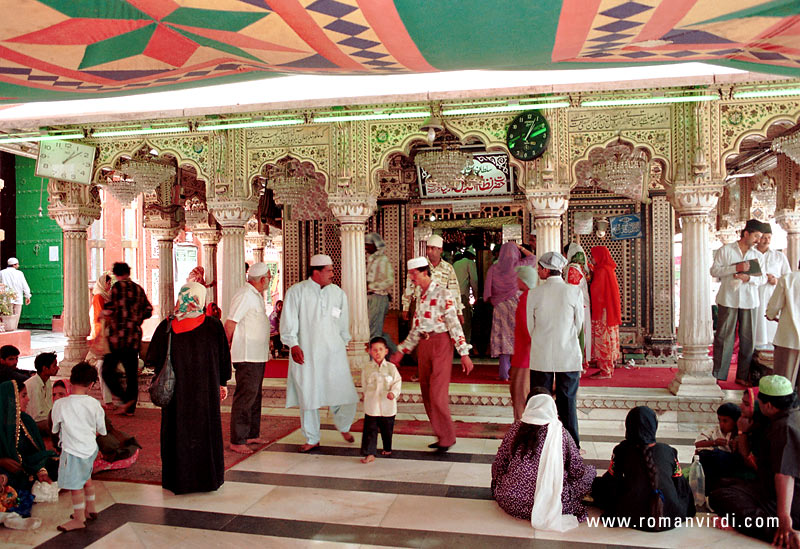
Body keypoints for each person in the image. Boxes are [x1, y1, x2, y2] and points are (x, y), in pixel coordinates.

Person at [147, 282, 232, 494]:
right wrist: (222, 382)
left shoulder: (167, 326)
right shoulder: (213, 326)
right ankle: (207, 480)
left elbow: (152, 359)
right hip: (205, 394)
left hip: (177, 396)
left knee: (177, 432)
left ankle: (178, 480)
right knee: (206, 432)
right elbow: (224, 360)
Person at [390, 257, 473, 453]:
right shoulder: (421, 295)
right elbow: (416, 328)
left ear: (424, 272)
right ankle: (442, 435)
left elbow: (454, 323)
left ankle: (448, 436)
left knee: (437, 393)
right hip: (424, 345)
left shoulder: (443, 293)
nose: (412, 278)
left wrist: (464, 353)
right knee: (427, 392)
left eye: (414, 274)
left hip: (441, 343)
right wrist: (402, 351)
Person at [709, 375, 800, 545]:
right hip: (771, 488)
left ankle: (781, 533)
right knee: (722, 486)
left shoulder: (784, 427)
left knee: (721, 497)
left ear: (769, 405)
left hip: (792, 499)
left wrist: (784, 518)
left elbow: (784, 475)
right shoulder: (790, 416)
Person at [281, 254, 359, 453]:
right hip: (307, 353)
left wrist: (344, 343)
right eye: (329, 270)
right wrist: (293, 345)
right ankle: (312, 437)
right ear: (316, 272)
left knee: (345, 392)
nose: (333, 274)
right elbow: (289, 321)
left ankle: (343, 426)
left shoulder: (338, 294)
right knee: (309, 395)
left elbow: (342, 323)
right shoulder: (297, 292)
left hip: (333, 352)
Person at [491, 391, 595, 531]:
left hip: (510, 500)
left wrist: (498, 483)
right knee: (589, 473)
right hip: (551, 504)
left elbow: (499, 465)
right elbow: (576, 470)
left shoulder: (515, 428)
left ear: (528, 406)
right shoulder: (560, 432)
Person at [592, 406, 696, 532]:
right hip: (670, 514)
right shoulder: (668, 451)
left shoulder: (621, 450)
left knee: (597, 485)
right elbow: (680, 485)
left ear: (629, 426)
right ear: (654, 426)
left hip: (634, 516)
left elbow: (612, 483)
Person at [527, 252, 584, 448]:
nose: (537, 271)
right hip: (567, 355)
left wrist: (543, 339)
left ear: (544, 270)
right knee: (567, 404)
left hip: (541, 356)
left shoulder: (534, 294)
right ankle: (571, 447)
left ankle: (537, 445)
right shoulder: (574, 292)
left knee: (540, 402)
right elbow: (579, 326)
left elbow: (530, 327)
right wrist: (564, 339)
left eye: (539, 268)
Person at [51, 362, 106, 532]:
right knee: (86, 478)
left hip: (72, 451)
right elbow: (101, 430)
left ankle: (79, 518)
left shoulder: (60, 404)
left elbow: (54, 428)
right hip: (90, 449)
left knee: (75, 485)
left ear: (71, 380)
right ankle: (91, 508)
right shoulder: (95, 404)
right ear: (91, 384)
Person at [710, 219, 766, 384]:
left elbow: (762, 279)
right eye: (756, 236)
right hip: (728, 299)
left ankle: (743, 376)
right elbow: (714, 271)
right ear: (746, 233)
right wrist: (736, 268)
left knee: (748, 339)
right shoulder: (726, 250)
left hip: (750, 301)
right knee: (722, 337)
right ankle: (719, 374)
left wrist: (748, 278)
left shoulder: (757, 255)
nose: (758, 240)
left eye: (760, 237)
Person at [225, 262, 271, 454]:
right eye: (269, 277)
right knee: (245, 396)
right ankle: (238, 439)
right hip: (247, 355)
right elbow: (230, 324)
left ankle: (251, 433)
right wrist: (225, 348)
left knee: (255, 395)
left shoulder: (256, 296)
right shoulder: (244, 295)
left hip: (257, 355)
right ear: (262, 280)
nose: (270, 280)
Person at [102, 261, 153, 416]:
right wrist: (136, 318)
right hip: (134, 337)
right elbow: (149, 310)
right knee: (131, 374)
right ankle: (130, 409)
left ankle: (125, 399)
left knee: (107, 370)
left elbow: (110, 308)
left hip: (118, 337)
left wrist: (104, 315)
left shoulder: (117, 288)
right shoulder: (138, 289)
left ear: (116, 274)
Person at [0, 380, 57, 492]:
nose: (28, 399)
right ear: (11, 399)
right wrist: (1, 461)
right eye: (23, 396)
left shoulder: (26, 421)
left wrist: (40, 468)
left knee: (55, 462)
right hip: (7, 470)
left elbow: (37, 452)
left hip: (27, 466)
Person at [484, 242, 525, 381]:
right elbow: (534, 259)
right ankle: (516, 372)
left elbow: (487, 292)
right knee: (516, 337)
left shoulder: (493, 269)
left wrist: (495, 299)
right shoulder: (519, 267)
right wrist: (521, 248)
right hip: (516, 305)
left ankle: (504, 373)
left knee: (503, 338)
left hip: (500, 307)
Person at [401, 234, 463, 324]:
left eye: (433, 248)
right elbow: (409, 288)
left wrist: (459, 311)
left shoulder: (448, 268)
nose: (429, 251)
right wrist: (405, 307)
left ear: (440, 250)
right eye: (428, 248)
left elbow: (454, 291)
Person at [360, 337, 401, 464]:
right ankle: (370, 453)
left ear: (386, 351)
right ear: (370, 352)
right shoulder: (367, 368)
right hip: (372, 405)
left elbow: (397, 383)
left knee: (387, 429)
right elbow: (364, 384)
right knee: (370, 430)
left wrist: (393, 394)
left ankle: (387, 448)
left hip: (387, 405)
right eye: (374, 350)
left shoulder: (391, 368)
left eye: (380, 349)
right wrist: (365, 395)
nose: (377, 352)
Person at [695, 403, 745, 493]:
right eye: (719, 420)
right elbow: (698, 444)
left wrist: (735, 444)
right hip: (714, 462)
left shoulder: (739, 434)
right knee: (702, 456)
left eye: (725, 421)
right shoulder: (715, 430)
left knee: (713, 455)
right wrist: (714, 442)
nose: (721, 424)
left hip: (729, 464)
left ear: (735, 421)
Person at [755, 223, 791, 351]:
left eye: (769, 237)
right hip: (756, 294)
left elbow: (788, 277)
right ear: (758, 238)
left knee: (771, 326)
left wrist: (776, 280)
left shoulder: (779, 256)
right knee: (757, 326)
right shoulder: (751, 254)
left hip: (773, 295)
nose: (767, 240)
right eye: (764, 237)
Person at [589, 246, 621, 379]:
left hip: (603, 312)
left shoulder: (602, 271)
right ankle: (607, 368)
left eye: (593, 256)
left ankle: (606, 371)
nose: (591, 258)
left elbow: (597, 291)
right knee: (606, 338)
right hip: (607, 311)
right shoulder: (607, 268)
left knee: (603, 339)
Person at [510, 265, 537, 421]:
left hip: (524, 357)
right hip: (529, 354)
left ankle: (520, 432)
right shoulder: (532, 297)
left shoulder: (526, 299)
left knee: (520, 396)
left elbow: (528, 329)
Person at [767, 265, 800, 389]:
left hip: (788, 338)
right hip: (788, 338)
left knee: (783, 384)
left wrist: (770, 315)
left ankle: (784, 408)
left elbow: (775, 305)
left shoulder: (788, 278)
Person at [365, 232, 397, 353]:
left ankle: (377, 359)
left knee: (374, 332)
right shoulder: (372, 259)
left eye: (369, 245)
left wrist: (371, 286)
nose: (366, 247)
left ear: (376, 245)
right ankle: (395, 352)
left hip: (378, 297)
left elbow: (389, 280)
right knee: (374, 330)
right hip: (371, 298)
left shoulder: (383, 260)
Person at [563, 243, 592, 373]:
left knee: (577, 333)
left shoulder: (573, 268)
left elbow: (571, 289)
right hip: (582, 305)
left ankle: (576, 363)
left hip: (576, 306)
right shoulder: (581, 267)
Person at [88, 271, 114, 407]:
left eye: (110, 283)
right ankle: (107, 400)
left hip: (108, 336)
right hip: (101, 336)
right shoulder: (99, 297)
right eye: (108, 283)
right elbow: (100, 318)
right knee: (102, 367)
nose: (109, 286)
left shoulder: (106, 297)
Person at [24, 352, 58, 435]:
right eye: (54, 365)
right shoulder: (33, 385)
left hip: (45, 419)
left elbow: (49, 407)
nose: (58, 368)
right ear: (45, 368)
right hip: (33, 423)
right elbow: (35, 416)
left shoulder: (47, 381)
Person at [453, 246, 478, 345]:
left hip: (452, 296)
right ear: (472, 257)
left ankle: (455, 345)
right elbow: (474, 281)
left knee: (455, 322)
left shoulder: (455, 264)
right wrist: (476, 297)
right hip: (462, 296)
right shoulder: (469, 263)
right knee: (465, 322)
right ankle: (464, 345)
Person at [0, 257, 31, 321]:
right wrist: (27, 296)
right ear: (14, 265)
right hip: (18, 297)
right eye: (17, 264)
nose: (18, 265)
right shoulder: (19, 273)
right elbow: (24, 285)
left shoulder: (2, 273)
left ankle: (8, 328)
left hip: (6, 298)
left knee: (7, 317)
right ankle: (14, 328)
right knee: (16, 317)